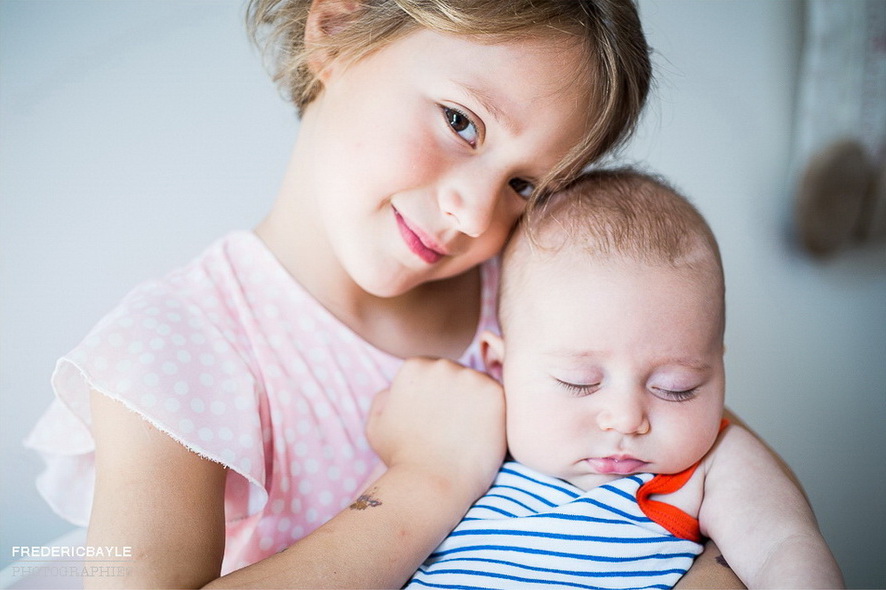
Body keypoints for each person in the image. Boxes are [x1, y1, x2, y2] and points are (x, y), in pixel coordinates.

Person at [24, 1, 658, 588]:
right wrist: (427, 479)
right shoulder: (180, 345)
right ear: (337, 30)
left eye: (524, 185)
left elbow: (698, 457)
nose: (472, 215)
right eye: (462, 123)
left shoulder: (537, 304)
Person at [402, 169, 844, 589]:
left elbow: (782, 548)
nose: (627, 419)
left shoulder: (709, 469)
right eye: (579, 382)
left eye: (676, 387)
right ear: (500, 368)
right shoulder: (462, 443)